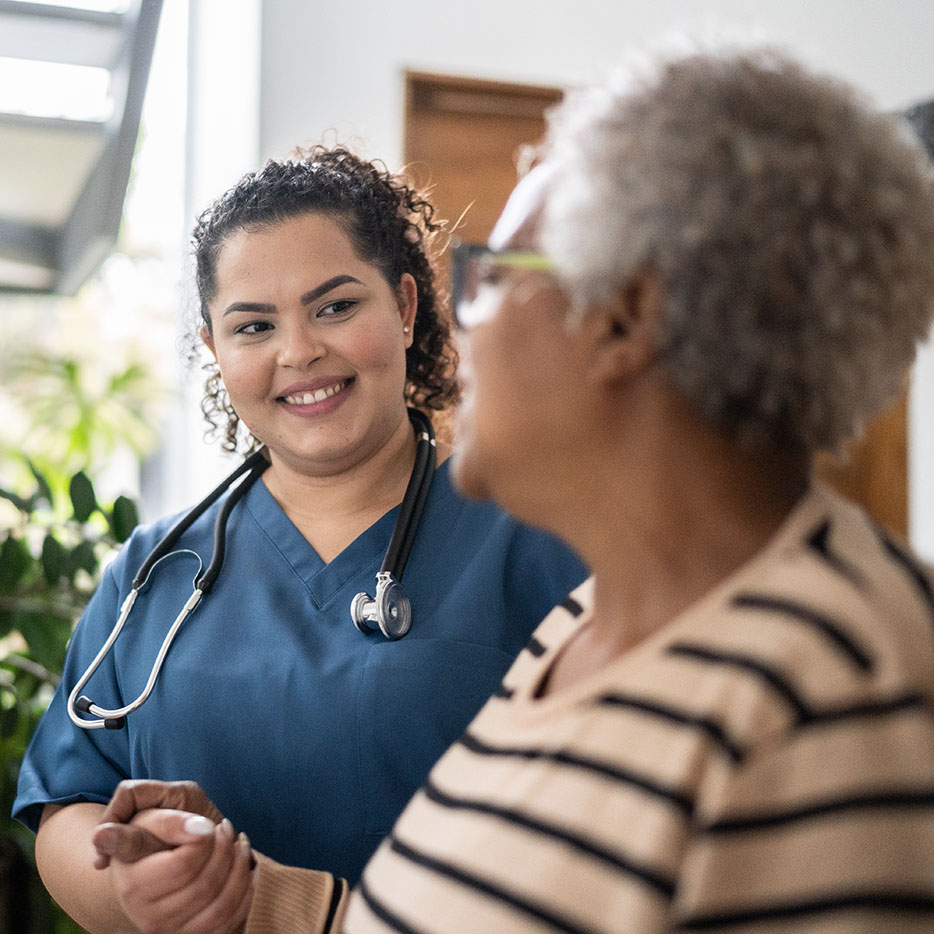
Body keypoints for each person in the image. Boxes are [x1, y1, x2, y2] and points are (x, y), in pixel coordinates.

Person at [92, 44, 934, 933]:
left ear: (622, 320)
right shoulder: (586, 632)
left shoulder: (837, 688)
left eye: (495, 276)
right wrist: (248, 889)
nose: (459, 317)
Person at [12, 145, 587, 933]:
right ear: (216, 352)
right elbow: (67, 807)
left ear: (407, 306)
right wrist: (151, 891)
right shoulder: (155, 568)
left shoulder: (540, 543)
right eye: (253, 326)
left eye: (336, 307)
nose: (299, 352)